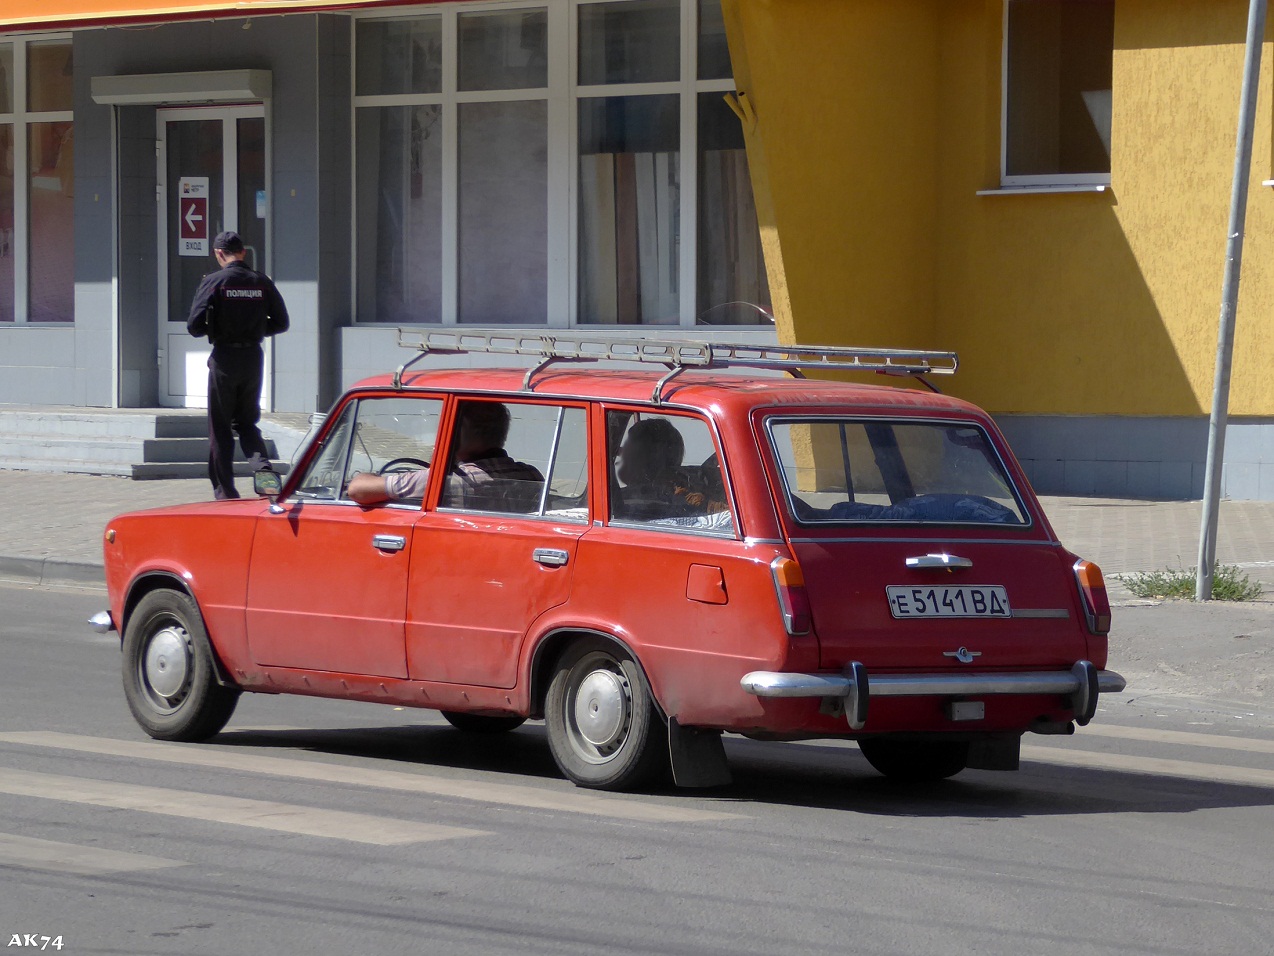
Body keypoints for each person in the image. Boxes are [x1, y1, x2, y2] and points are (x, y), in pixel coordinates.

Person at [187, 231, 289, 500]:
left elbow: (194, 326)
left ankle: (226, 493)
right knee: (247, 423)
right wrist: (254, 330)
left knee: (220, 428)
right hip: (253, 358)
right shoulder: (261, 281)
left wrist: (219, 329)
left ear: (219, 253)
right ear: (243, 252)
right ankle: (265, 476)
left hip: (225, 359)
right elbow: (281, 323)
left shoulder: (214, 282)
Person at [348, 402, 542, 508]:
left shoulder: (444, 481)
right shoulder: (531, 475)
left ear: (459, 432)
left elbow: (358, 490)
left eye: (450, 426)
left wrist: (372, 476)